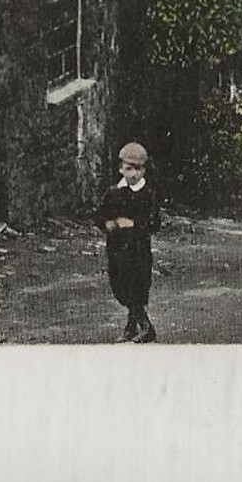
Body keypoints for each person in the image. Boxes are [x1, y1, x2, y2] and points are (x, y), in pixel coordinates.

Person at [92, 141, 162, 343]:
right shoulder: (113, 192)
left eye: (138, 169)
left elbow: (153, 222)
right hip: (116, 249)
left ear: (144, 170)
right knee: (120, 286)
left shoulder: (148, 194)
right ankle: (132, 327)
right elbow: (98, 215)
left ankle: (146, 327)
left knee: (136, 287)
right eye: (129, 168)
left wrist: (133, 223)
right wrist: (108, 223)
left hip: (138, 249)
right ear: (120, 168)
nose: (133, 174)